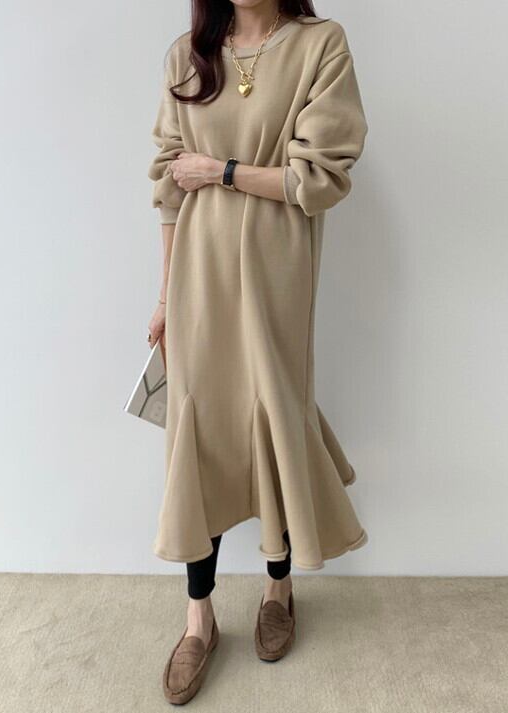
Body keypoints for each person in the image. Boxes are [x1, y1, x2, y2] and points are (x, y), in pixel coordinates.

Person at [146, 0, 369, 703]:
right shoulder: (187, 54)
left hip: (276, 272)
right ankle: (199, 617)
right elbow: (168, 189)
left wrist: (221, 170)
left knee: (273, 416)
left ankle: (279, 587)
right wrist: (164, 297)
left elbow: (318, 179)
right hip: (199, 277)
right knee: (201, 431)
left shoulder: (319, 45)